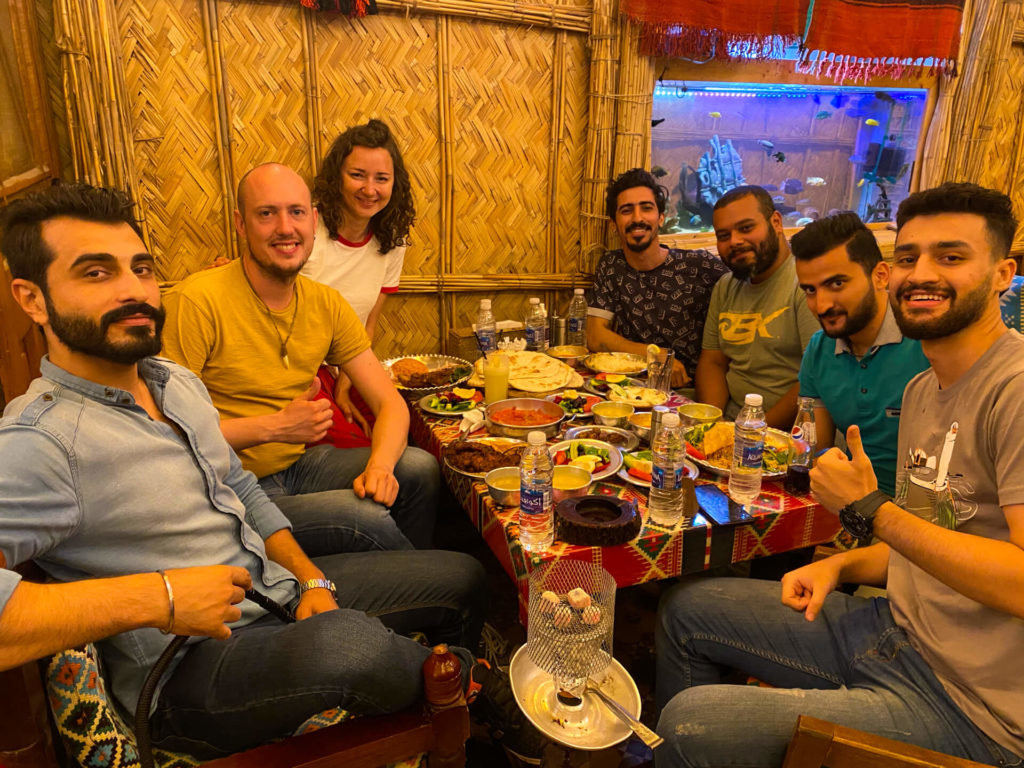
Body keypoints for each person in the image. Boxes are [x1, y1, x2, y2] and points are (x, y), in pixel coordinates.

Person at [0, 183, 486, 759]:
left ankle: (447, 700)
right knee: (352, 644)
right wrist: (159, 597)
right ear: (32, 299)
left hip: (269, 592)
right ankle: (466, 697)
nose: (134, 291)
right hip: (187, 671)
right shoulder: (41, 442)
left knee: (463, 576)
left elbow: (241, 489)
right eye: (96, 274)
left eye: (141, 268)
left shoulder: (172, 383)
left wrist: (309, 579)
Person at [654, 182, 1024, 768]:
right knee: (685, 610)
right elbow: (940, 536)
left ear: (1003, 273)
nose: (921, 273)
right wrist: (843, 563)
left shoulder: (1015, 388)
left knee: (689, 726)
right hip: (895, 625)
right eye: (909, 257)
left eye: (950, 257)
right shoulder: (925, 388)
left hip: (969, 706)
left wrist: (872, 509)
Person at [161, 163, 439, 551]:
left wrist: (379, 467)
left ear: (313, 220)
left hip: (297, 468)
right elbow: (163, 435)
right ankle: (410, 587)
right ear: (241, 225)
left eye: (295, 212)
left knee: (418, 469)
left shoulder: (324, 303)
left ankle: (409, 585)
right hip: (228, 487)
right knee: (365, 519)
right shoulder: (196, 302)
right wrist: (275, 427)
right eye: (266, 214)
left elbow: (389, 402)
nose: (285, 228)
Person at [791, 212, 929, 496]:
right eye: (810, 290)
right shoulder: (819, 349)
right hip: (847, 504)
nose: (821, 305)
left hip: (925, 514)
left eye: (837, 284)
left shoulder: (929, 345)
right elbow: (815, 450)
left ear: (880, 276)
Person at [303, 119, 415, 446]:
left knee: (398, 429)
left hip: (351, 365)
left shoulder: (392, 241)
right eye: (357, 175)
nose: (370, 189)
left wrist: (345, 383)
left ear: (395, 184)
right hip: (299, 370)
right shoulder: (307, 227)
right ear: (337, 176)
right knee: (357, 444)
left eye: (381, 178)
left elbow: (367, 324)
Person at [586, 168, 728, 388]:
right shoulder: (611, 266)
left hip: (692, 392)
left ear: (661, 218)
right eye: (626, 211)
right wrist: (656, 355)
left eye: (646, 208)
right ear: (614, 225)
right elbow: (595, 335)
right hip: (633, 388)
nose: (637, 218)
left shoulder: (699, 266)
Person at [695, 185, 818, 428]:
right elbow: (713, 362)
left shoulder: (806, 285)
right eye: (723, 235)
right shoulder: (725, 287)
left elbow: (814, 380)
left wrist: (751, 436)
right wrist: (713, 426)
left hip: (783, 435)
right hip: (730, 423)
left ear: (776, 222)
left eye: (746, 228)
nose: (735, 241)